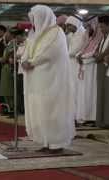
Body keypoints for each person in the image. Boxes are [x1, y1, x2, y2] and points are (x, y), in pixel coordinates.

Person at [22, 5, 75, 153]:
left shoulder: (56, 32)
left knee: (53, 110)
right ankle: (45, 141)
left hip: (53, 80)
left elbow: (49, 52)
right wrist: (24, 61)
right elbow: (27, 51)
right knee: (40, 110)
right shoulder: (34, 34)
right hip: (37, 79)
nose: (33, 22)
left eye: (35, 18)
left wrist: (32, 62)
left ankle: (56, 143)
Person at [64, 16, 87, 124]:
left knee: (77, 90)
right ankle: (72, 115)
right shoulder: (71, 35)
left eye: (69, 25)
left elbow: (75, 50)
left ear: (75, 24)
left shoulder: (82, 33)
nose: (68, 28)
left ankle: (79, 116)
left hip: (77, 65)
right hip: (71, 65)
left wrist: (65, 54)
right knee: (72, 91)